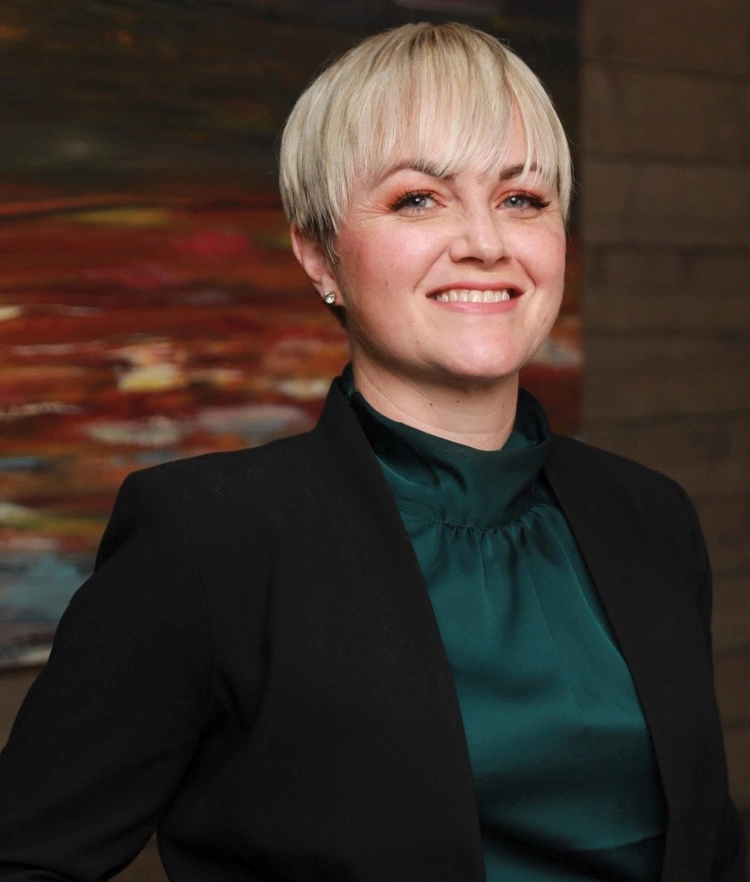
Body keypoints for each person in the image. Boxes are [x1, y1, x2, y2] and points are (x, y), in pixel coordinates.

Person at [0, 21, 745, 882]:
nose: (486, 241)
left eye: (521, 199)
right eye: (418, 199)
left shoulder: (651, 514)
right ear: (319, 255)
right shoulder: (205, 541)